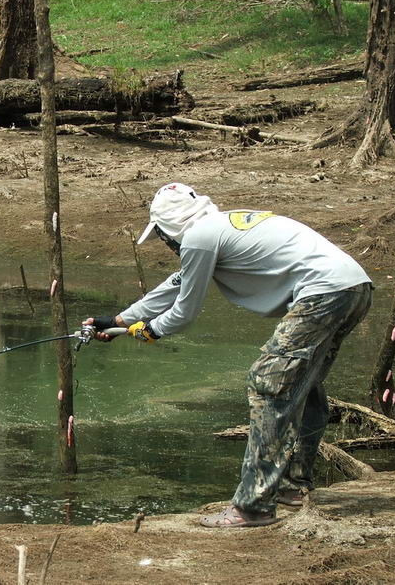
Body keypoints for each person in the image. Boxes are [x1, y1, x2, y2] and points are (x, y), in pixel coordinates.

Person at [84, 182, 372, 528]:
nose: (166, 244)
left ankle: (253, 507)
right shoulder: (217, 227)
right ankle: (293, 487)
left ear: (169, 228)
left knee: (269, 385)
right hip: (353, 287)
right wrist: (119, 321)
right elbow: (177, 285)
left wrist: (151, 330)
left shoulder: (198, 238)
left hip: (322, 292)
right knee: (301, 386)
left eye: (162, 236)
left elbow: (185, 311)